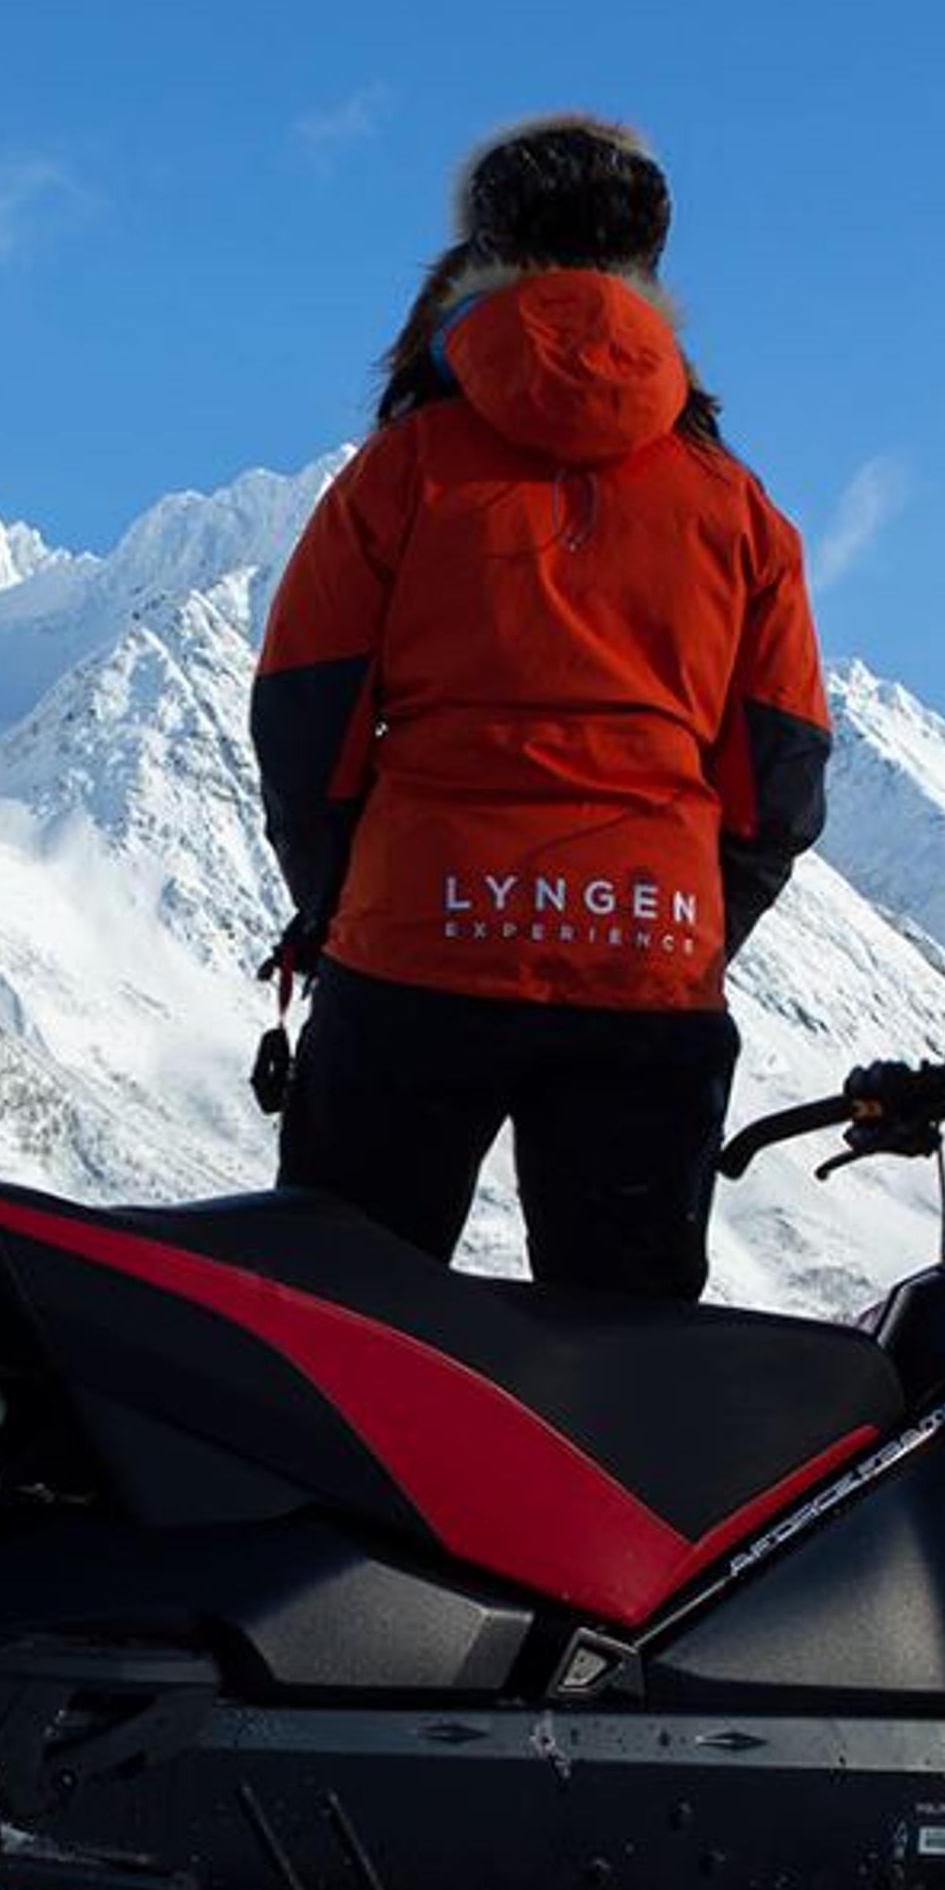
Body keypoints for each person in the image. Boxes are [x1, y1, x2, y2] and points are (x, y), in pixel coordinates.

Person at [249, 113, 829, 1301]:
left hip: (417, 943)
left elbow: (304, 724)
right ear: (649, 272)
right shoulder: (735, 506)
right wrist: (684, 924)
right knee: (629, 1364)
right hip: (648, 966)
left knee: (340, 1330)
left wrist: (343, 900)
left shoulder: (403, 471)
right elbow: (782, 777)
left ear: (480, 254)